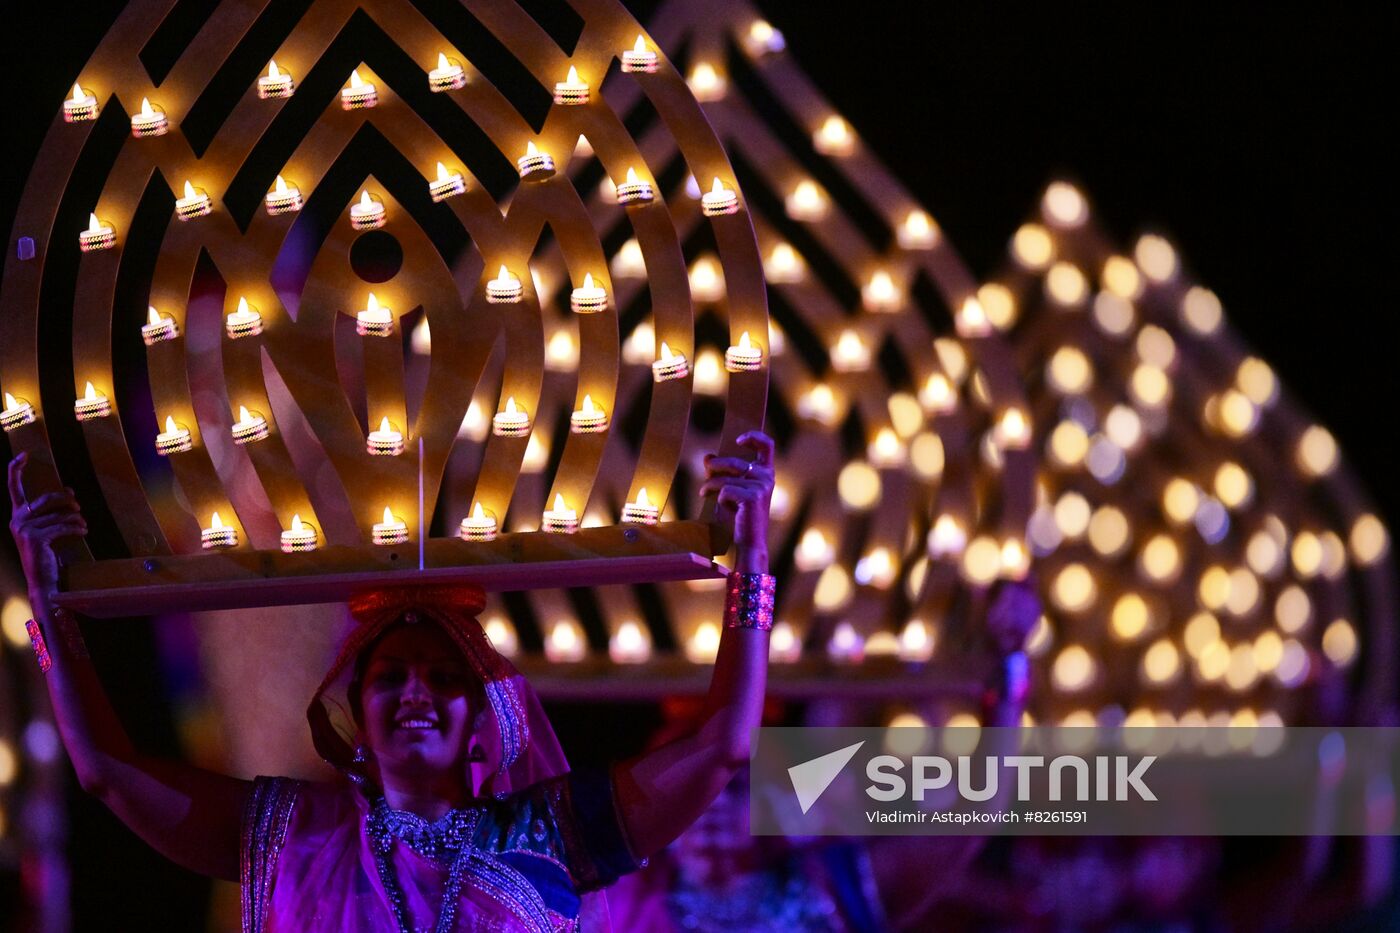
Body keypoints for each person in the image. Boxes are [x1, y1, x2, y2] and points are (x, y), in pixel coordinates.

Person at [6, 431, 777, 932]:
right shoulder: (301, 836)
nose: (417, 693)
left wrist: (752, 569)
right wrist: (50, 613)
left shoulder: (825, 826)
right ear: (351, 710)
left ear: (486, 715)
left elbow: (727, 751)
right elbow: (108, 774)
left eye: (445, 677)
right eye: (393, 675)